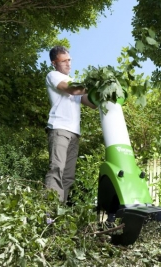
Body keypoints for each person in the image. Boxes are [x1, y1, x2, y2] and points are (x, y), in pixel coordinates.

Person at [45, 46, 96, 203]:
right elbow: (71, 90)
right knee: (56, 170)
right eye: (64, 60)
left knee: (68, 176)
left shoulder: (75, 83)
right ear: (54, 62)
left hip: (74, 132)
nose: (68, 64)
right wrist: (93, 87)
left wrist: (104, 93)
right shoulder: (53, 75)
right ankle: (48, 214)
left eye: (69, 60)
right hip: (60, 128)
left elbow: (91, 103)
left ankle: (59, 214)